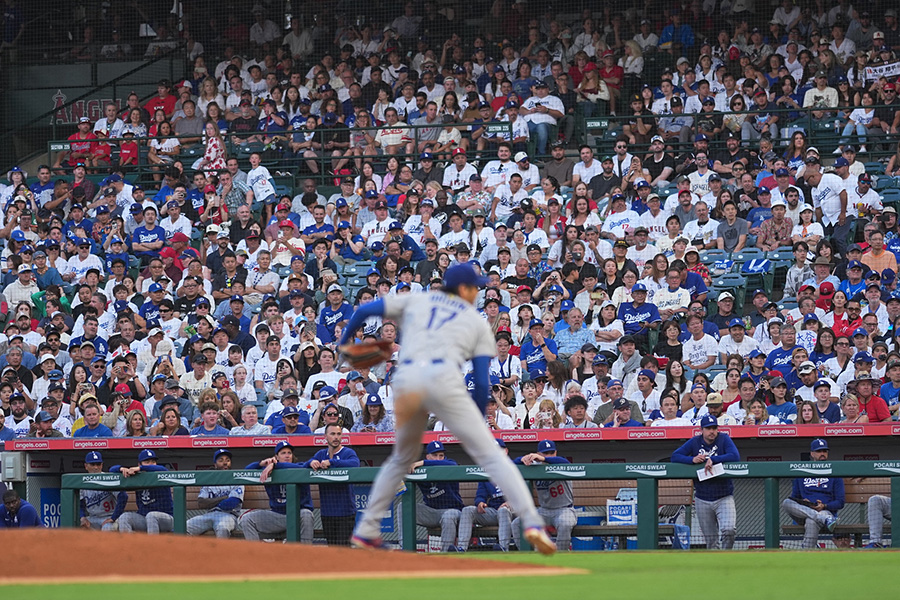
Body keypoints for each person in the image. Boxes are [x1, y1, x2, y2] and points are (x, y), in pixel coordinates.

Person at [341, 263, 555, 554]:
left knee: (400, 459)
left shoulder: (418, 299)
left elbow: (364, 312)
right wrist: (481, 419)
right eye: (475, 287)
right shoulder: (475, 321)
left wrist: (344, 344)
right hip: (443, 379)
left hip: (406, 380)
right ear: (464, 289)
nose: (477, 292)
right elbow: (481, 382)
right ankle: (531, 521)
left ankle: (366, 530)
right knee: (492, 456)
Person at [266, 424, 360, 546]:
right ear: (326, 436)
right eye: (332, 434)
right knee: (332, 547)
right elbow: (309, 462)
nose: (336, 437)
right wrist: (312, 462)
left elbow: (355, 464)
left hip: (346, 512)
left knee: (343, 549)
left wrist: (331, 462)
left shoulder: (347, 452)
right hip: (327, 512)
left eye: (338, 434)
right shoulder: (321, 454)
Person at [671, 414, 740, 549]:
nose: (712, 431)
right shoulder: (695, 442)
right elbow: (675, 456)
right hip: (702, 498)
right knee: (711, 541)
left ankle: (727, 556)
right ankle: (716, 566)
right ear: (702, 429)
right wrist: (692, 460)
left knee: (729, 530)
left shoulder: (724, 439)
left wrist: (714, 459)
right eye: (708, 428)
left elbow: (735, 456)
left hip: (724, 496)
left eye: (714, 428)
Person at [240, 441, 315, 543]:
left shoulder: (299, 466)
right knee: (247, 519)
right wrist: (262, 463)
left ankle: (305, 554)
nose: (287, 455)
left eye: (289, 453)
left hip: (298, 515)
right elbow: (246, 471)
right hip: (277, 516)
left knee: (307, 514)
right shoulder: (268, 470)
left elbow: (303, 468)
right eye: (283, 453)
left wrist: (276, 465)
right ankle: (256, 555)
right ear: (276, 457)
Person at [511, 440, 578, 552]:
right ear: (538, 454)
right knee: (517, 524)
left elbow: (565, 462)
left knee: (565, 523)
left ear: (555, 453)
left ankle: (560, 556)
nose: (549, 455)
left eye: (552, 453)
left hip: (564, 510)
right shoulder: (535, 467)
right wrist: (523, 459)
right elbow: (512, 464)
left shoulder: (559, 463)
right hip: (543, 512)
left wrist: (545, 459)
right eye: (545, 453)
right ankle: (529, 555)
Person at [781, 439, 844, 549]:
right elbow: (795, 498)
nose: (822, 454)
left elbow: (840, 502)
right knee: (786, 502)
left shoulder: (835, 472)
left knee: (811, 521)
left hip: (826, 512)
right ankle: (821, 519)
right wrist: (805, 503)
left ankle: (807, 553)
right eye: (819, 451)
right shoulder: (802, 472)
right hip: (805, 513)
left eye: (825, 451)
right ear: (812, 454)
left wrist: (824, 506)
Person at [457, 439, 516, 551]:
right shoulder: (486, 470)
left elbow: (523, 493)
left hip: (513, 510)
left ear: (506, 451)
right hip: (494, 511)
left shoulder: (515, 467)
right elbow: (480, 494)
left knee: (504, 511)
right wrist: (480, 502)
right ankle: (461, 548)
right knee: (467, 510)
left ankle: (503, 548)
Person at [106, 449, 174, 534]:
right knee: (124, 517)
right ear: (139, 463)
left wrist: (141, 468)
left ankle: (154, 546)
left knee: (151, 515)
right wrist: (121, 468)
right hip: (144, 518)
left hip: (167, 518)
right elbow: (112, 469)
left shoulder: (160, 473)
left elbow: (164, 469)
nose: (151, 464)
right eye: (147, 462)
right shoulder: (137, 476)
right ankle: (131, 546)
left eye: (153, 461)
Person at [185, 449, 244, 538]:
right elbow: (201, 503)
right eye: (221, 460)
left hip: (229, 516)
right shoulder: (209, 481)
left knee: (222, 528)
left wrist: (211, 502)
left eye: (227, 460)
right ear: (215, 465)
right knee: (184, 528)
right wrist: (222, 498)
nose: (225, 463)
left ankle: (221, 552)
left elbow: (230, 504)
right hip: (209, 515)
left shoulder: (237, 479)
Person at [79, 451, 115, 529]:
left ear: (102, 465)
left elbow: (123, 497)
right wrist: (82, 517)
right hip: (92, 518)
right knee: (81, 526)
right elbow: (80, 504)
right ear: (86, 466)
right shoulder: (82, 482)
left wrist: (114, 517)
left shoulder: (108, 479)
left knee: (107, 529)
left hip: (108, 516)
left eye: (98, 464)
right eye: (92, 464)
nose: (96, 467)